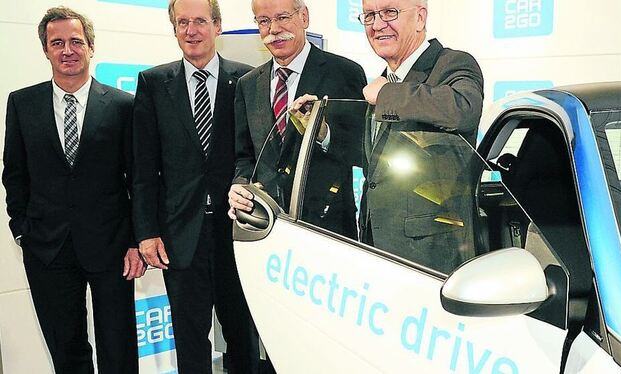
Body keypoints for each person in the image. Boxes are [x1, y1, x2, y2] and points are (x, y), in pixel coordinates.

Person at [2, 6, 144, 374]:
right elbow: (14, 174)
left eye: (76, 41)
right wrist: (22, 231)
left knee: (119, 350)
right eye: (57, 42)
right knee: (67, 352)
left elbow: (139, 178)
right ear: (46, 50)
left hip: (112, 247)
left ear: (91, 47)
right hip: (47, 249)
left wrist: (135, 240)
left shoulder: (123, 106)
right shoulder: (21, 103)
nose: (68, 50)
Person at [131, 0, 254, 372]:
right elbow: (143, 167)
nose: (191, 30)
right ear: (174, 29)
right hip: (180, 234)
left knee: (242, 333)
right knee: (189, 336)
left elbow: (253, 153)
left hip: (237, 231)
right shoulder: (153, 83)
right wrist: (147, 232)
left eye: (200, 21)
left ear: (217, 25)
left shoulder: (247, 80)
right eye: (182, 22)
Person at [358, 0, 485, 273]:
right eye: (369, 15)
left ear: (420, 18)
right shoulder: (382, 81)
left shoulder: (452, 63)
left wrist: (387, 95)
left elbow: (464, 108)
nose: (378, 24)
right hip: (377, 252)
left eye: (389, 12)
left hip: (433, 260)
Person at [228, 0, 367, 240]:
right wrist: (240, 186)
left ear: (304, 17)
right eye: (264, 21)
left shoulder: (345, 73)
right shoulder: (248, 84)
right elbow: (245, 157)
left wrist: (323, 134)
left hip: (329, 230)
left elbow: (362, 151)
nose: (273, 29)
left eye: (282, 17)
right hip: (267, 228)